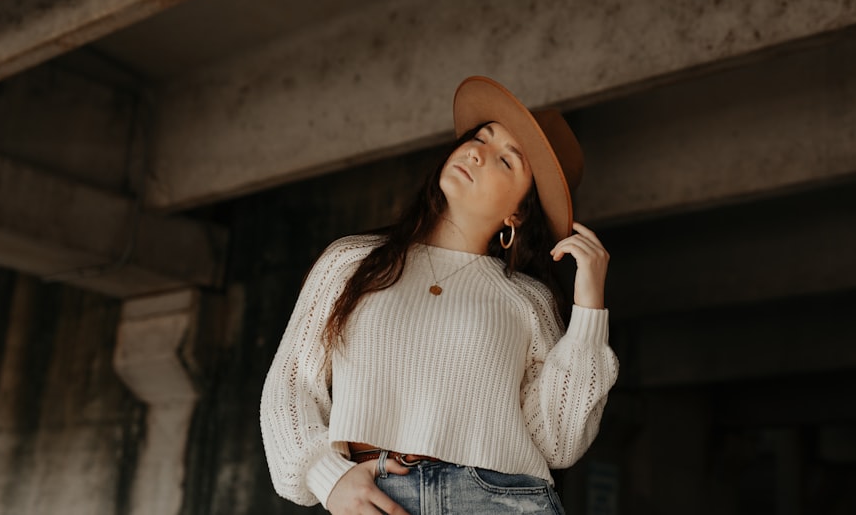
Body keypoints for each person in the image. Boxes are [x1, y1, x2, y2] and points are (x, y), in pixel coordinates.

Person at [261, 76, 618, 514]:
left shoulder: (527, 300)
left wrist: (588, 311)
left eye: (505, 161)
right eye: (480, 139)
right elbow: (291, 385)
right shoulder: (351, 263)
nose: (476, 153)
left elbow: (557, 442)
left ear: (518, 213)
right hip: (377, 496)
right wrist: (327, 477)